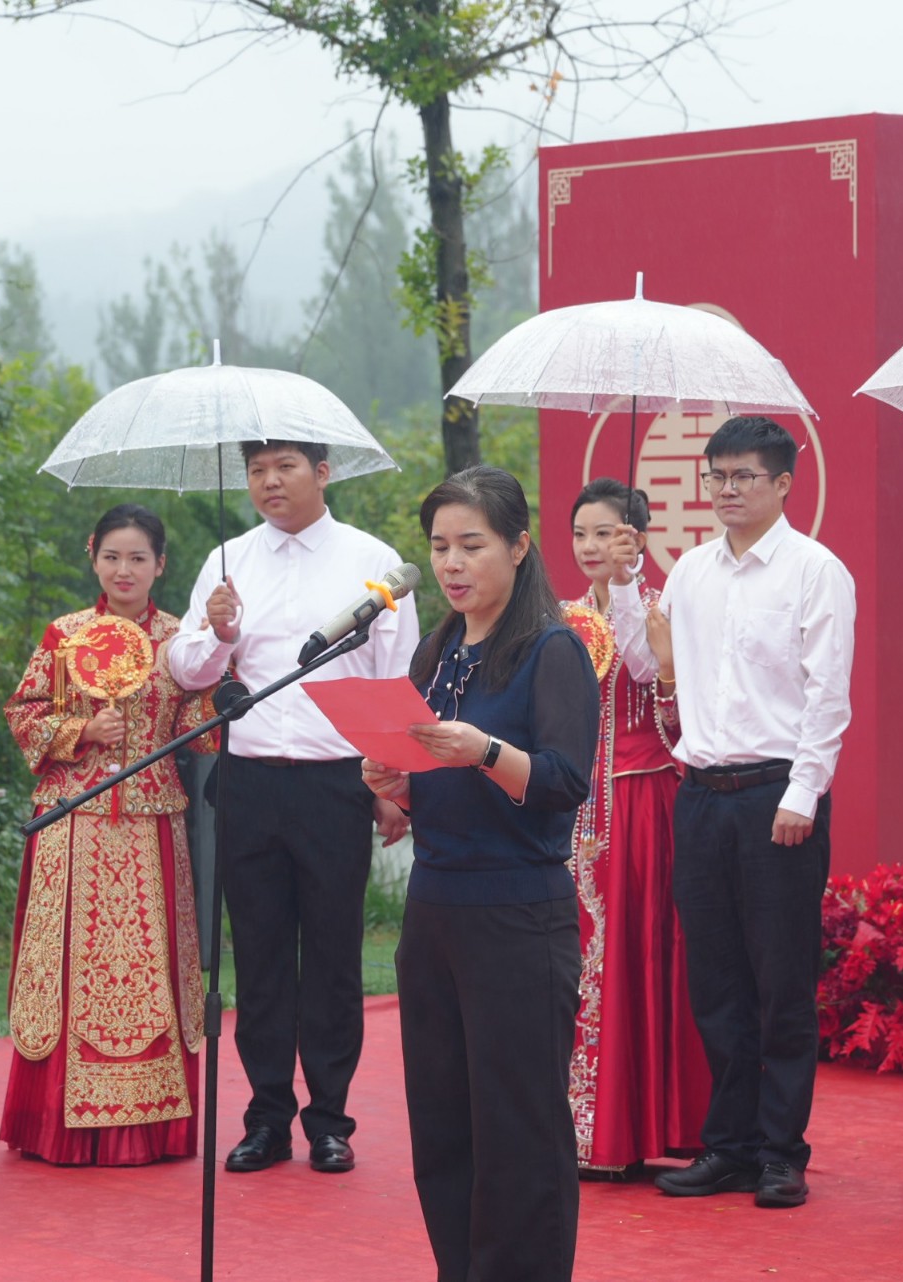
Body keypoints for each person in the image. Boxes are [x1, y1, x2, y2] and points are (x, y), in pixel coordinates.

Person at [362, 465, 598, 1282]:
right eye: (440, 547)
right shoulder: (435, 651)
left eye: (472, 545)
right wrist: (395, 784)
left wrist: (486, 750)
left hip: (518, 914)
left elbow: (565, 782)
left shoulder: (552, 649)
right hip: (435, 910)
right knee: (445, 1122)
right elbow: (439, 790)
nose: (452, 564)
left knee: (518, 1128)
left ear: (519, 546)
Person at [163, 439, 417, 1176]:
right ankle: (266, 1117)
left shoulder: (373, 560)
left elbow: (396, 676)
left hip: (336, 782)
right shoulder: (228, 559)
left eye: (285, 467)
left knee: (334, 955)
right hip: (249, 780)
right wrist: (219, 633)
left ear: (322, 472)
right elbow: (185, 669)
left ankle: (330, 1121)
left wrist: (392, 785)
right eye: (256, 471)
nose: (269, 482)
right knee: (260, 956)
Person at [649, 415, 856, 1210]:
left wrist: (804, 792)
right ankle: (728, 1147)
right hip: (700, 793)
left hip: (778, 796)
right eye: (717, 476)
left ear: (783, 484)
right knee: (715, 981)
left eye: (743, 476)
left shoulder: (815, 571)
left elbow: (827, 695)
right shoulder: (689, 572)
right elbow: (656, 670)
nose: (727, 490)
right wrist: (627, 590)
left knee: (781, 980)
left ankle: (781, 1152)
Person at [0, 504, 216, 1165]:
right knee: (67, 973)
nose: (125, 570)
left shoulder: (182, 641)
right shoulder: (65, 636)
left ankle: (153, 1122)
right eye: (112, 556)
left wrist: (221, 670)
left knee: (152, 975)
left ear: (161, 565)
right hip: (74, 820)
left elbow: (201, 729)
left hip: (152, 825)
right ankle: (55, 1126)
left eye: (138, 558)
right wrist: (81, 730)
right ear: (93, 557)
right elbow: (23, 713)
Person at [561, 478, 708, 1174]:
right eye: (580, 534)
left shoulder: (661, 612)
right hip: (570, 809)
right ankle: (578, 1124)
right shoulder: (560, 619)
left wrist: (629, 598)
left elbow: (668, 707)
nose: (591, 546)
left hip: (642, 803)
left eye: (606, 533)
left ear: (638, 539)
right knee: (575, 959)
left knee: (637, 955)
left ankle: (638, 1128)